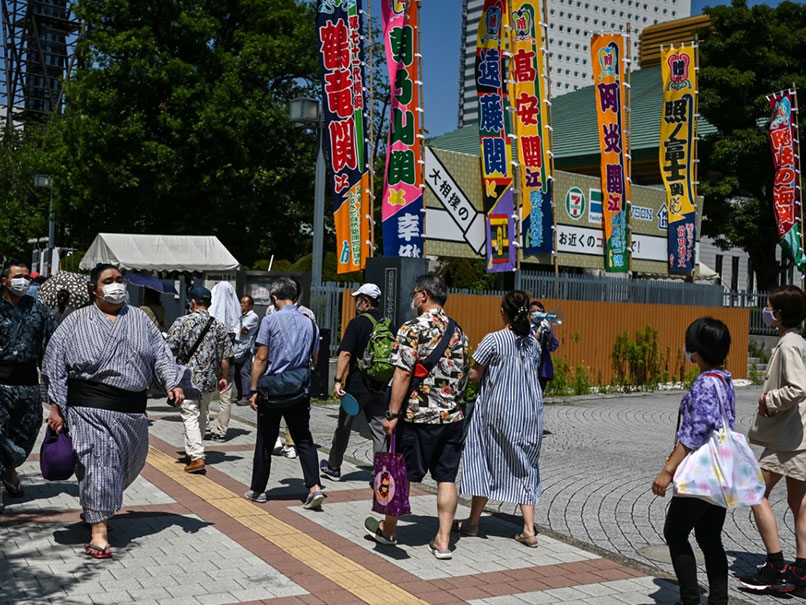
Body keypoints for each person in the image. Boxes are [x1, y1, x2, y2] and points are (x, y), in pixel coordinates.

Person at [42, 264, 187, 558]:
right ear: (94, 288)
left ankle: (97, 506)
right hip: (89, 409)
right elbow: (54, 365)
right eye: (108, 281)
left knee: (127, 463)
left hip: (132, 411)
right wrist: (56, 407)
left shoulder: (141, 320)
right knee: (99, 463)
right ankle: (99, 533)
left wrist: (173, 383)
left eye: (120, 280)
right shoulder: (74, 322)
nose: (116, 285)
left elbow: (161, 356)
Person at [363, 273, 468, 560]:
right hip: (452, 417)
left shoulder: (411, 328)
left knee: (402, 474)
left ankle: (389, 531)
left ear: (423, 296)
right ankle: (444, 542)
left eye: (414, 294)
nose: (412, 299)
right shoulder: (459, 332)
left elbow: (402, 373)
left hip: (417, 416)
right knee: (446, 478)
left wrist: (392, 413)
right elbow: (464, 376)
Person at [651, 317, 734, 605]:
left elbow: (693, 434)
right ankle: (719, 600)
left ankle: (689, 599)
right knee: (710, 538)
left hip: (701, 474)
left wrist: (667, 470)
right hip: (721, 472)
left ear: (696, 354)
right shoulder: (725, 380)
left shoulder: (703, 385)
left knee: (674, 532)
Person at [457, 290, 543, 548]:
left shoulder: (493, 340)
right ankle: (529, 529)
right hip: (529, 412)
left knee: (485, 458)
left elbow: (474, 374)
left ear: (503, 311)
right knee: (526, 464)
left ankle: (473, 522)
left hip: (497, 410)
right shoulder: (533, 343)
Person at [739, 285, 806, 593]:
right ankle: (802, 571)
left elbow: (798, 388)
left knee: (754, 491)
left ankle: (776, 566)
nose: (765, 311)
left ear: (778, 315)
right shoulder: (796, 341)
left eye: (768, 307)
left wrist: (769, 400)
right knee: (799, 502)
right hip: (796, 434)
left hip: (786, 439)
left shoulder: (790, 344)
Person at [247, 277, 326, 509]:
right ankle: (314, 487)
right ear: (296, 297)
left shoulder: (269, 321)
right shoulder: (310, 323)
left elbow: (261, 357)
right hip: (298, 388)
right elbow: (315, 357)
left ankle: (258, 490)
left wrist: (253, 388)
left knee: (265, 440)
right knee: (303, 439)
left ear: (274, 297)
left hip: (272, 389)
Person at [0, 260, 57, 512]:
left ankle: (9, 470)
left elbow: (52, 347)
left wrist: (55, 390)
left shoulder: (38, 309)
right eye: (18, 276)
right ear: (4, 280)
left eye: (27, 276)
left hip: (28, 385)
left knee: (24, 436)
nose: (23, 280)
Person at [321, 283, 389, 481]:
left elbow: (345, 353)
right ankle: (381, 474)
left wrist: (337, 381)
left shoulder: (357, 323)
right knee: (380, 432)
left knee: (344, 426)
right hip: (380, 385)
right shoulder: (389, 324)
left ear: (366, 302)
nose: (356, 303)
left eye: (358, 299)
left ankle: (334, 467)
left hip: (357, 387)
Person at [167, 287, 232, 474]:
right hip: (209, 378)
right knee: (202, 415)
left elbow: (169, 351)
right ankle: (193, 450)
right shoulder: (219, 326)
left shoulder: (182, 322)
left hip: (188, 379)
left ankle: (196, 457)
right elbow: (225, 357)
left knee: (190, 415)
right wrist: (223, 378)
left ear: (192, 302)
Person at [265, 284, 317, 459]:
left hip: (275, 374)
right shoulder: (309, 316)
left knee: (273, 414)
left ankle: (274, 443)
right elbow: (314, 346)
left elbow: (263, 352)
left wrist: (254, 386)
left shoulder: (271, 314)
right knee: (299, 419)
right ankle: (291, 444)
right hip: (300, 375)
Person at [207, 281, 241, 440]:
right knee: (225, 397)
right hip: (229, 360)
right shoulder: (235, 313)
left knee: (204, 394)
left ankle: (205, 426)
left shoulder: (210, 313)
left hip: (210, 361)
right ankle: (221, 431)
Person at [530, 301, 559, 394]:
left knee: (539, 394)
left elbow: (552, 346)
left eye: (539, 311)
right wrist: (539, 330)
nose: (536, 313)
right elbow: (531, 344)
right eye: (533, 311)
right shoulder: (526, 327)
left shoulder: (545, 325)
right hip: (529, 366)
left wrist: (549, 332)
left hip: (542, 366)